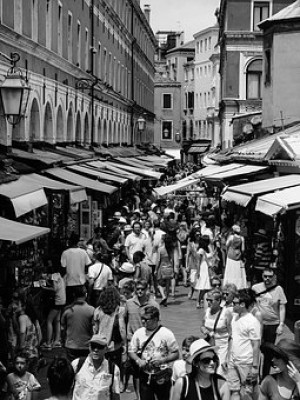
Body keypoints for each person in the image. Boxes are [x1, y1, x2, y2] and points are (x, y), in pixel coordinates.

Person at [129, 305, 179, 400]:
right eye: (142, 318)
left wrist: (162, 360)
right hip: (145, 375)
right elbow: (131, 351)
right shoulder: (138, 333)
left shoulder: (167, 333)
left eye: (146, 319)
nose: (143, 321)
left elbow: (176, 353)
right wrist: (138, 360)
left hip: (162, 375)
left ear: (155, 319)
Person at [225, 289, 261, 400]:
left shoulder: (252, 321)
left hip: (246, 363)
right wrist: (228, 358)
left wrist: (255, 367)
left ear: (242, 304)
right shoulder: (235, 318)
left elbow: (256, 344)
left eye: (235, 303)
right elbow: (232, 338)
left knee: (247, 393)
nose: (232, 305)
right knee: (234, 391)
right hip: (233, 361)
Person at [252, 267, 287, 378]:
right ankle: (254, 375)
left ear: (274, 277)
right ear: (262, 276)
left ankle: (265, 376)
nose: (267, 278)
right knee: (255, 349)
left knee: (267, 352)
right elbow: (250, 304)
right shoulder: (255, 288)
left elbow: (282, 307)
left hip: (272, 324)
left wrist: (281, 324)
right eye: (265, 276)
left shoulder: (278, 289)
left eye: (270, 276)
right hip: (258, 324)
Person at [93, 286, 126, 383]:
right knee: (116, 367)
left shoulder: (98, 310)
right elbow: (122, 328)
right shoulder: (120, 310)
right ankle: (118, 384)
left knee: (102, 367)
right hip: (114, 345)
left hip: (101, 344)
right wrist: (124, 343)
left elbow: (95, 329)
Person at [72, 334, 121, 400]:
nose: (96, 350)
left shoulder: (113, 369)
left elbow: (116, 395)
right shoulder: (76, 364)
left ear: (106, 349)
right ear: (89, 347)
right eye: (93, 346)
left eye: (100, 347)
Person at [201, 290, 232, 375]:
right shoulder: (207, 311)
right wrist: (204, 330)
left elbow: (231, 334)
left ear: (218, 301)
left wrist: (228, 355)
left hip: (222, 346)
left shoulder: (226, 313)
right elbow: (202, 325)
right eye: (207, 300)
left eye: (211, 300)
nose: (208, 302)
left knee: (220, 371)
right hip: (210, 345)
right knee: (208, 370)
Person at [61, 286, 94, 362]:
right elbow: (94, 330)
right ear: (86, 295)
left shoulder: (68, 310)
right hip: (86, 346)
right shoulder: (91, 310)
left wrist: (63, 342)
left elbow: (62, 329)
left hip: (71, 346)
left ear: (74, 295)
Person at [60, 233, 92, 304]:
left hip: (69, 283)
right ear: (78, 241)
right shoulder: (83, 252)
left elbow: (63, 268)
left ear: (70, 241)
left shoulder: (65, 253)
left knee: (70, 304)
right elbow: (89, 264)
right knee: (81, 303)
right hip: (81, 282)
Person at [40, 265, 66, 350]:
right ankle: (57, 341)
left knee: (49, 320)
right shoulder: (59, 275)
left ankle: (48, 343)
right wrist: (47, 282)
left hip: (57, 301)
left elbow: (55, 289)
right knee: (57, 321)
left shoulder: (54, 275)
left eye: (44, 274)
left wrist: (44, 287)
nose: (43, 275)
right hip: (62, 300)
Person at [16, 299, 41, 375]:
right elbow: (39, 334)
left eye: (17, 304)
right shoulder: (30, 317)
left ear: (23, 307)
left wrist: (21, 346)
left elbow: (23, 332)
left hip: (27, 354)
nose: (14, 305)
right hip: (34, 352)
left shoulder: (22, 317)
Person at [223, 224, 247, 289]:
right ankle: (237, 285)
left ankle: (228, 284)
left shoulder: (231, 237)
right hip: (238, 255)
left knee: (230, 270)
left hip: (230, 255)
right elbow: (243, 249)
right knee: (237, 271)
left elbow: (226, 244)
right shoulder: (242, 238)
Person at [155, 232, 174, 306]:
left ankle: (163, 296)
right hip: (169, 267)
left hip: (162, 267)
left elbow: (158, 260)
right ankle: (166, 301)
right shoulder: (171, 249)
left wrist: (156, 270)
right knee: (167, 284)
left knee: (159, 284)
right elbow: (172, 260)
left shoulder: (161, 249)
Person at [194, 236, 212, 309]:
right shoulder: (201, 250)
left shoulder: (208, 248)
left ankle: (206, 301)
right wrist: (198, 272)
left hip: (208, 267)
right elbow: (198, 262)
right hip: (203, 268)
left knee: (207, 287)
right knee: (203, 287)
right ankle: (198, 301)